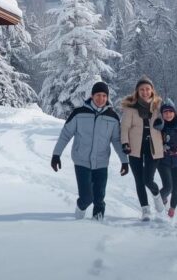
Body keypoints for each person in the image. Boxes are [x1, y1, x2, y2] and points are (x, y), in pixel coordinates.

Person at [52, 81, 129, 221]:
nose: (101, 99)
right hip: (82, 161)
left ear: (107, 97)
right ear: (92, 96)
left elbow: (117, 141)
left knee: (99, 197)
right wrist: (56, 154)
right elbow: (65, 134)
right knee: (86, 197)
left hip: (101, 162)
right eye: (98, 95)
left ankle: (97, 224)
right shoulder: (79, 113)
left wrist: (124, 161)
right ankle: (80, 211)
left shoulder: (112, 117)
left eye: (104, 96)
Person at [120, 76, 165, 221]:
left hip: (154, 147)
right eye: (142, 89)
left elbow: (171, 120)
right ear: (137, 92)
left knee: (148, 179)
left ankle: (156, 195)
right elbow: (124, 128)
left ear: (152, 90)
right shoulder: (130, 108)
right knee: (139, 180)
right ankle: (145, 209)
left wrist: (162, 123)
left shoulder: (159, 106)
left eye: (147, 89)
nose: (145, 92)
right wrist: (125, 143)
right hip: (135, 148)